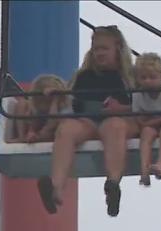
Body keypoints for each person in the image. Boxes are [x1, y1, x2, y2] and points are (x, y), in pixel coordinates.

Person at [37, 25, 137, 218]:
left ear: (117, 48)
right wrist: (57, 95)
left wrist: (121, 108)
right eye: (96, 48)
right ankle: (55, 188)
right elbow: (72, 102)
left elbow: (145, 105)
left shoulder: (130, 76)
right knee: (67, 129)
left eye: (104, 48)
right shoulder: (83, 76)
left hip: (121, 120)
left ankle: (113, 184)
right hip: (88, 120)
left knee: (113, 127)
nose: (99, 53)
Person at [131, 53, 161, 186]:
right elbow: (139, 119)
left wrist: (153, 121)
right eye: (143, 77)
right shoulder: (137, 95)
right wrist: (150, 122)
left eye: (152, 77)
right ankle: (144, 171)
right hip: (150, 124)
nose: (148, 81)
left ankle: (160, 164)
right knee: (146, 133)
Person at [11, 74, 70, 143]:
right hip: (40, 126)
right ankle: (22, 137)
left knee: (49, 131)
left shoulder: (63, 107)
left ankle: (35, 138)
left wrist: (55, 99)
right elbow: (33, 120)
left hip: (52, 130)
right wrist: (31, 132)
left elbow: (52, 122)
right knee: (22, 103)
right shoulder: (36, 106)